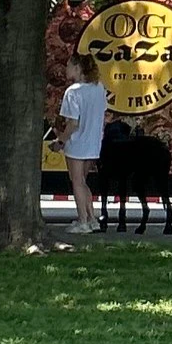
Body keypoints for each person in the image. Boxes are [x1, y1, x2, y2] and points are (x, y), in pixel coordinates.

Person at [58, 53, 109, 234]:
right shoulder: (99, 88)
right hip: (94, 142)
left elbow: (73, 123)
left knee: (77, 181)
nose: (66, 69)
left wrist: (61, 140)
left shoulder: (73, 92)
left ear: (78, 69)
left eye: (69, 66)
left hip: (77, 142)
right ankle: (91, 218)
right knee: (83, 181)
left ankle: (83, 221)